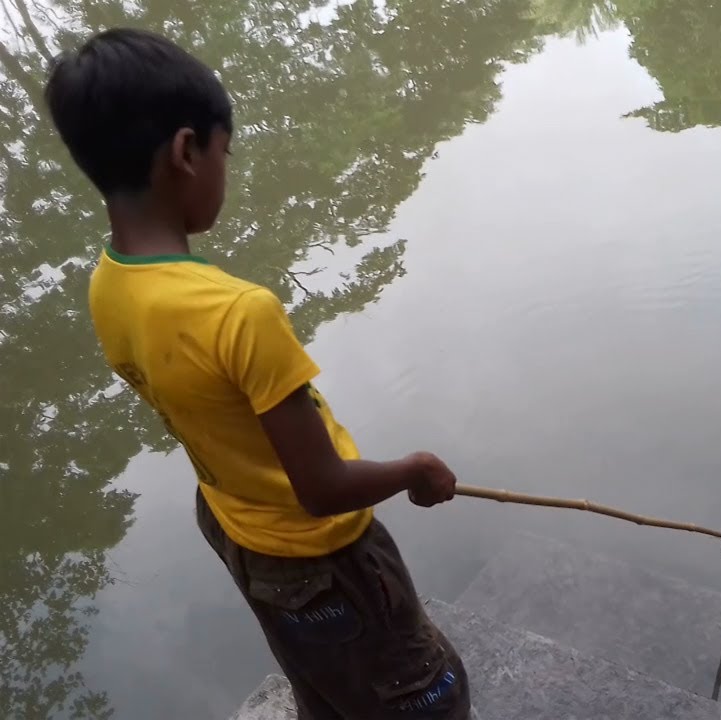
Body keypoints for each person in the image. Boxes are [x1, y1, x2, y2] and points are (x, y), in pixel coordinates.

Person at [43, 27, 473, 719]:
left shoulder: (106, 285)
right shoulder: (240, 313)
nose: (227, 168)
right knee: (426, 693)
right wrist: (415, 470)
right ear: (186, 152)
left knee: (324, 684)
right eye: (225, 151)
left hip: (236, 532)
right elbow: (322, 488)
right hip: (325, 563)